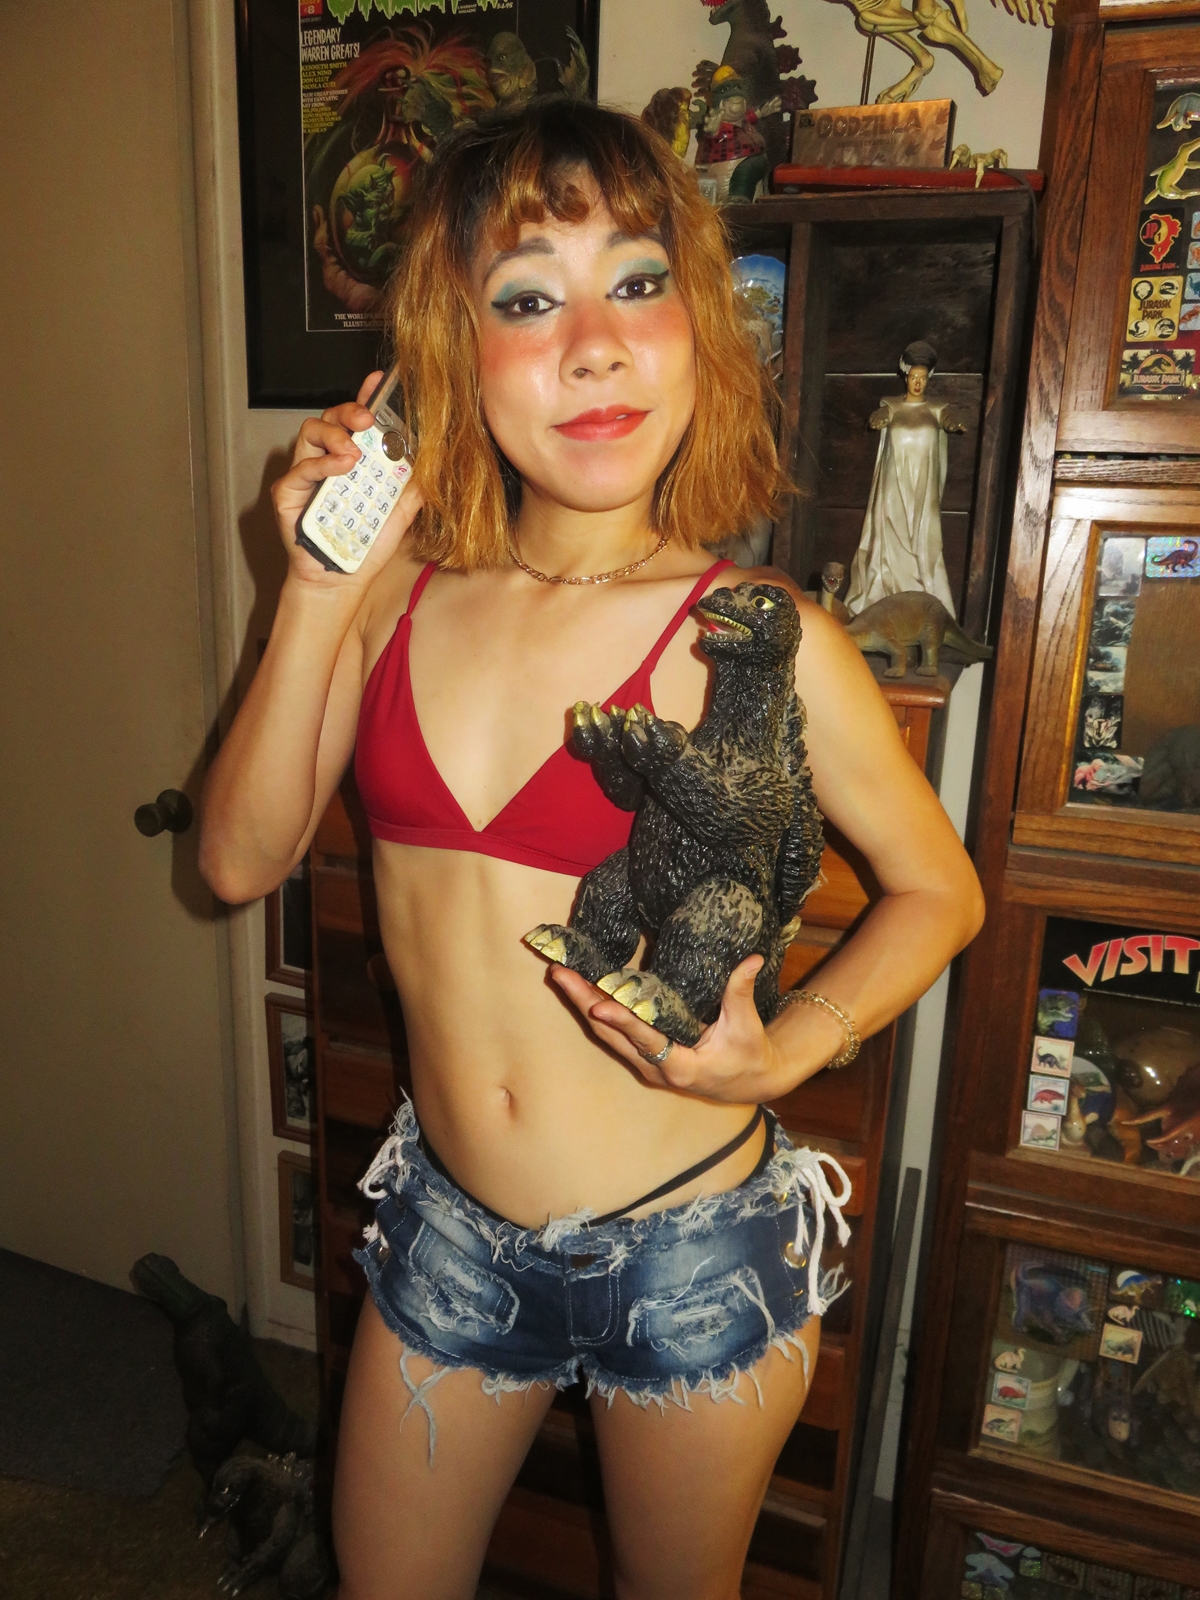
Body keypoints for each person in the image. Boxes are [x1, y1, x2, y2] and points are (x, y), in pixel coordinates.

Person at [200, 99, 983, 1600]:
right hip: (446, 1230)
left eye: (636, 282)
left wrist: (786, 1052)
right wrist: (314, 584)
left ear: (698, 330)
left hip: (691, 1247)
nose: (596, 347)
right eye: (525, 300)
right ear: (452, 352)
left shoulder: (763, 634)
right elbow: (237, 861)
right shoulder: (387, 597)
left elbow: (939, 891)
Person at [844, 340, 966, 619]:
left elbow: (948, 418)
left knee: (924, 539)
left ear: (929, 378)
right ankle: (882, 596)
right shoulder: (891, 405)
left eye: (923, 378)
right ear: (905, 377)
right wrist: (879, 417)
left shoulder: (937, 408)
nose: (918, 383)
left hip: (922, 489)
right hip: (893, 486)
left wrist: (952, 420)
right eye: (913, 378)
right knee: (888, 537)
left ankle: (923, 600)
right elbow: (883, 415)